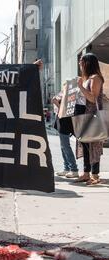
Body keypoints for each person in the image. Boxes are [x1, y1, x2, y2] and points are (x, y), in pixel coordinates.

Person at [74, 53, 105, 186]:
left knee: (93, 146)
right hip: (84, 115)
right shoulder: (86, 78)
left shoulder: (95, 78)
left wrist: (80, 86)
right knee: (85, 145)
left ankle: (95, 175)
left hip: (93, 116)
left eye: (82, 61)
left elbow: (93, 98)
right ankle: (86, 173)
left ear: (88, 63)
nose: (80, 63)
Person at [52, 84, 79, 178]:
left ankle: (74, 169)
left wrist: (59, 106)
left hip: (64, 120)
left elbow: (54, 100)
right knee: (63, 146)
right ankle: (67, 168)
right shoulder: (69, 94)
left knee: (65, 146)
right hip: (63, 120)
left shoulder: (67, 93)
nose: (64, 86)